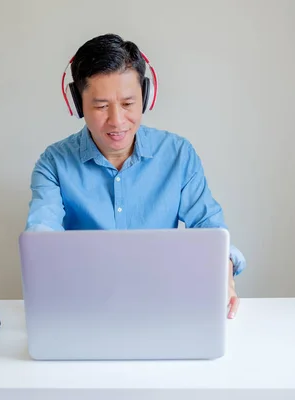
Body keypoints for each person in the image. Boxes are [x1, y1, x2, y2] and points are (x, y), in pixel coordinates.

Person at [25, 33, 246, 319]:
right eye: (101, 106)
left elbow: (211, 230)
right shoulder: (53, 164)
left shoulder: (178, 154)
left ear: (146, 96)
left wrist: (224, 277)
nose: (117, 121)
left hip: (164, 305)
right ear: (77, 103)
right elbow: (41, 239)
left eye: (128, 104)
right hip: (85, 309)